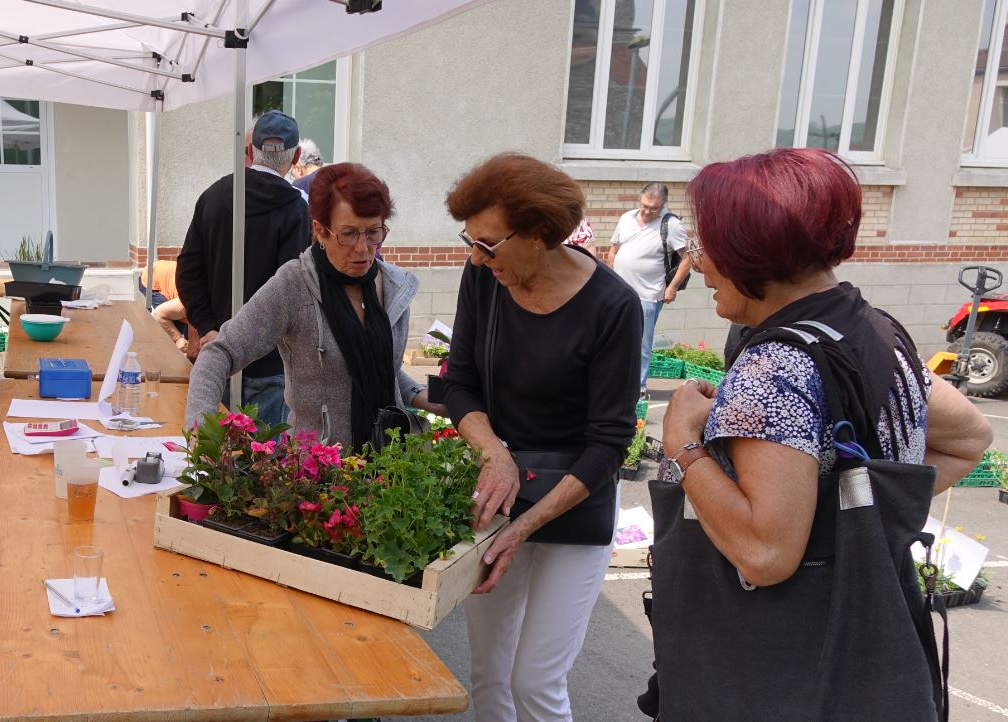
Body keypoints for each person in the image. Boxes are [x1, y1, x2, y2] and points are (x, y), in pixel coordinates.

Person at [650, 148, 992, 719]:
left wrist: (683, 445)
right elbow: (969, 438)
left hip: (768, 673)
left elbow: (765, 554)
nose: (698, 265)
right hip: (870, 656)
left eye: (706, 246)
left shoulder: (773, 370)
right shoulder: (876, 333)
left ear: (753, 250)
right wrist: (846, 527)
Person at [442, 153, 641, 721]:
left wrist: (526, 526)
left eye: (489, 243)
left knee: (535, 681)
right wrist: (494, 453)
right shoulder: (483, 277)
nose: (477, 257)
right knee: (488, 672)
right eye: (470, 241)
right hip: (498, 493)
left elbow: (609, 443)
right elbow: (459, 384)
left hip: (573, 503)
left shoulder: (613, 306)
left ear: (540, 235)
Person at [184, 162, 446, 448]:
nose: (362, 248)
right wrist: (201, 435)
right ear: (320, 231)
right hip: (318, 475)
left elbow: (383, 365)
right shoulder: (294, 285)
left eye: (373, 232)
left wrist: (431, 398)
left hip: (389, 470)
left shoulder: (395, 287)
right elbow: (219, 353)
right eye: (348, 233)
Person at [176, 110, 310, 425]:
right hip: (269, 364)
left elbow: (188, 271)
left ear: (249, 151)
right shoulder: (296, 209)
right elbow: (290, 292)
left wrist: (209, 328)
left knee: (213, 463)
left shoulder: (215, 195)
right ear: (296, 157)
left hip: (218, 356)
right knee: (262, 467)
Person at [605, 183, 691, 396]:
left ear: (663, 205)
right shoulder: (626, 218)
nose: (647, 211)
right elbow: (614, 251)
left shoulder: (671, 225)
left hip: (648, 295)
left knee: (642, 342)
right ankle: (615, 381)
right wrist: (609, 279)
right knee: (614, 338)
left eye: (653, 208)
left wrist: (672, 288)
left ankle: (639, 386)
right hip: (620, 291)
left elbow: (688, 258)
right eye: (644, 205)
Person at [143, 260, 191, 353]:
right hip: (152, 277)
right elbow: (160, 314)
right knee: (173, 327)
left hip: (169, 272)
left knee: (188, 332)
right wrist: (178, 340)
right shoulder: (184, 304)